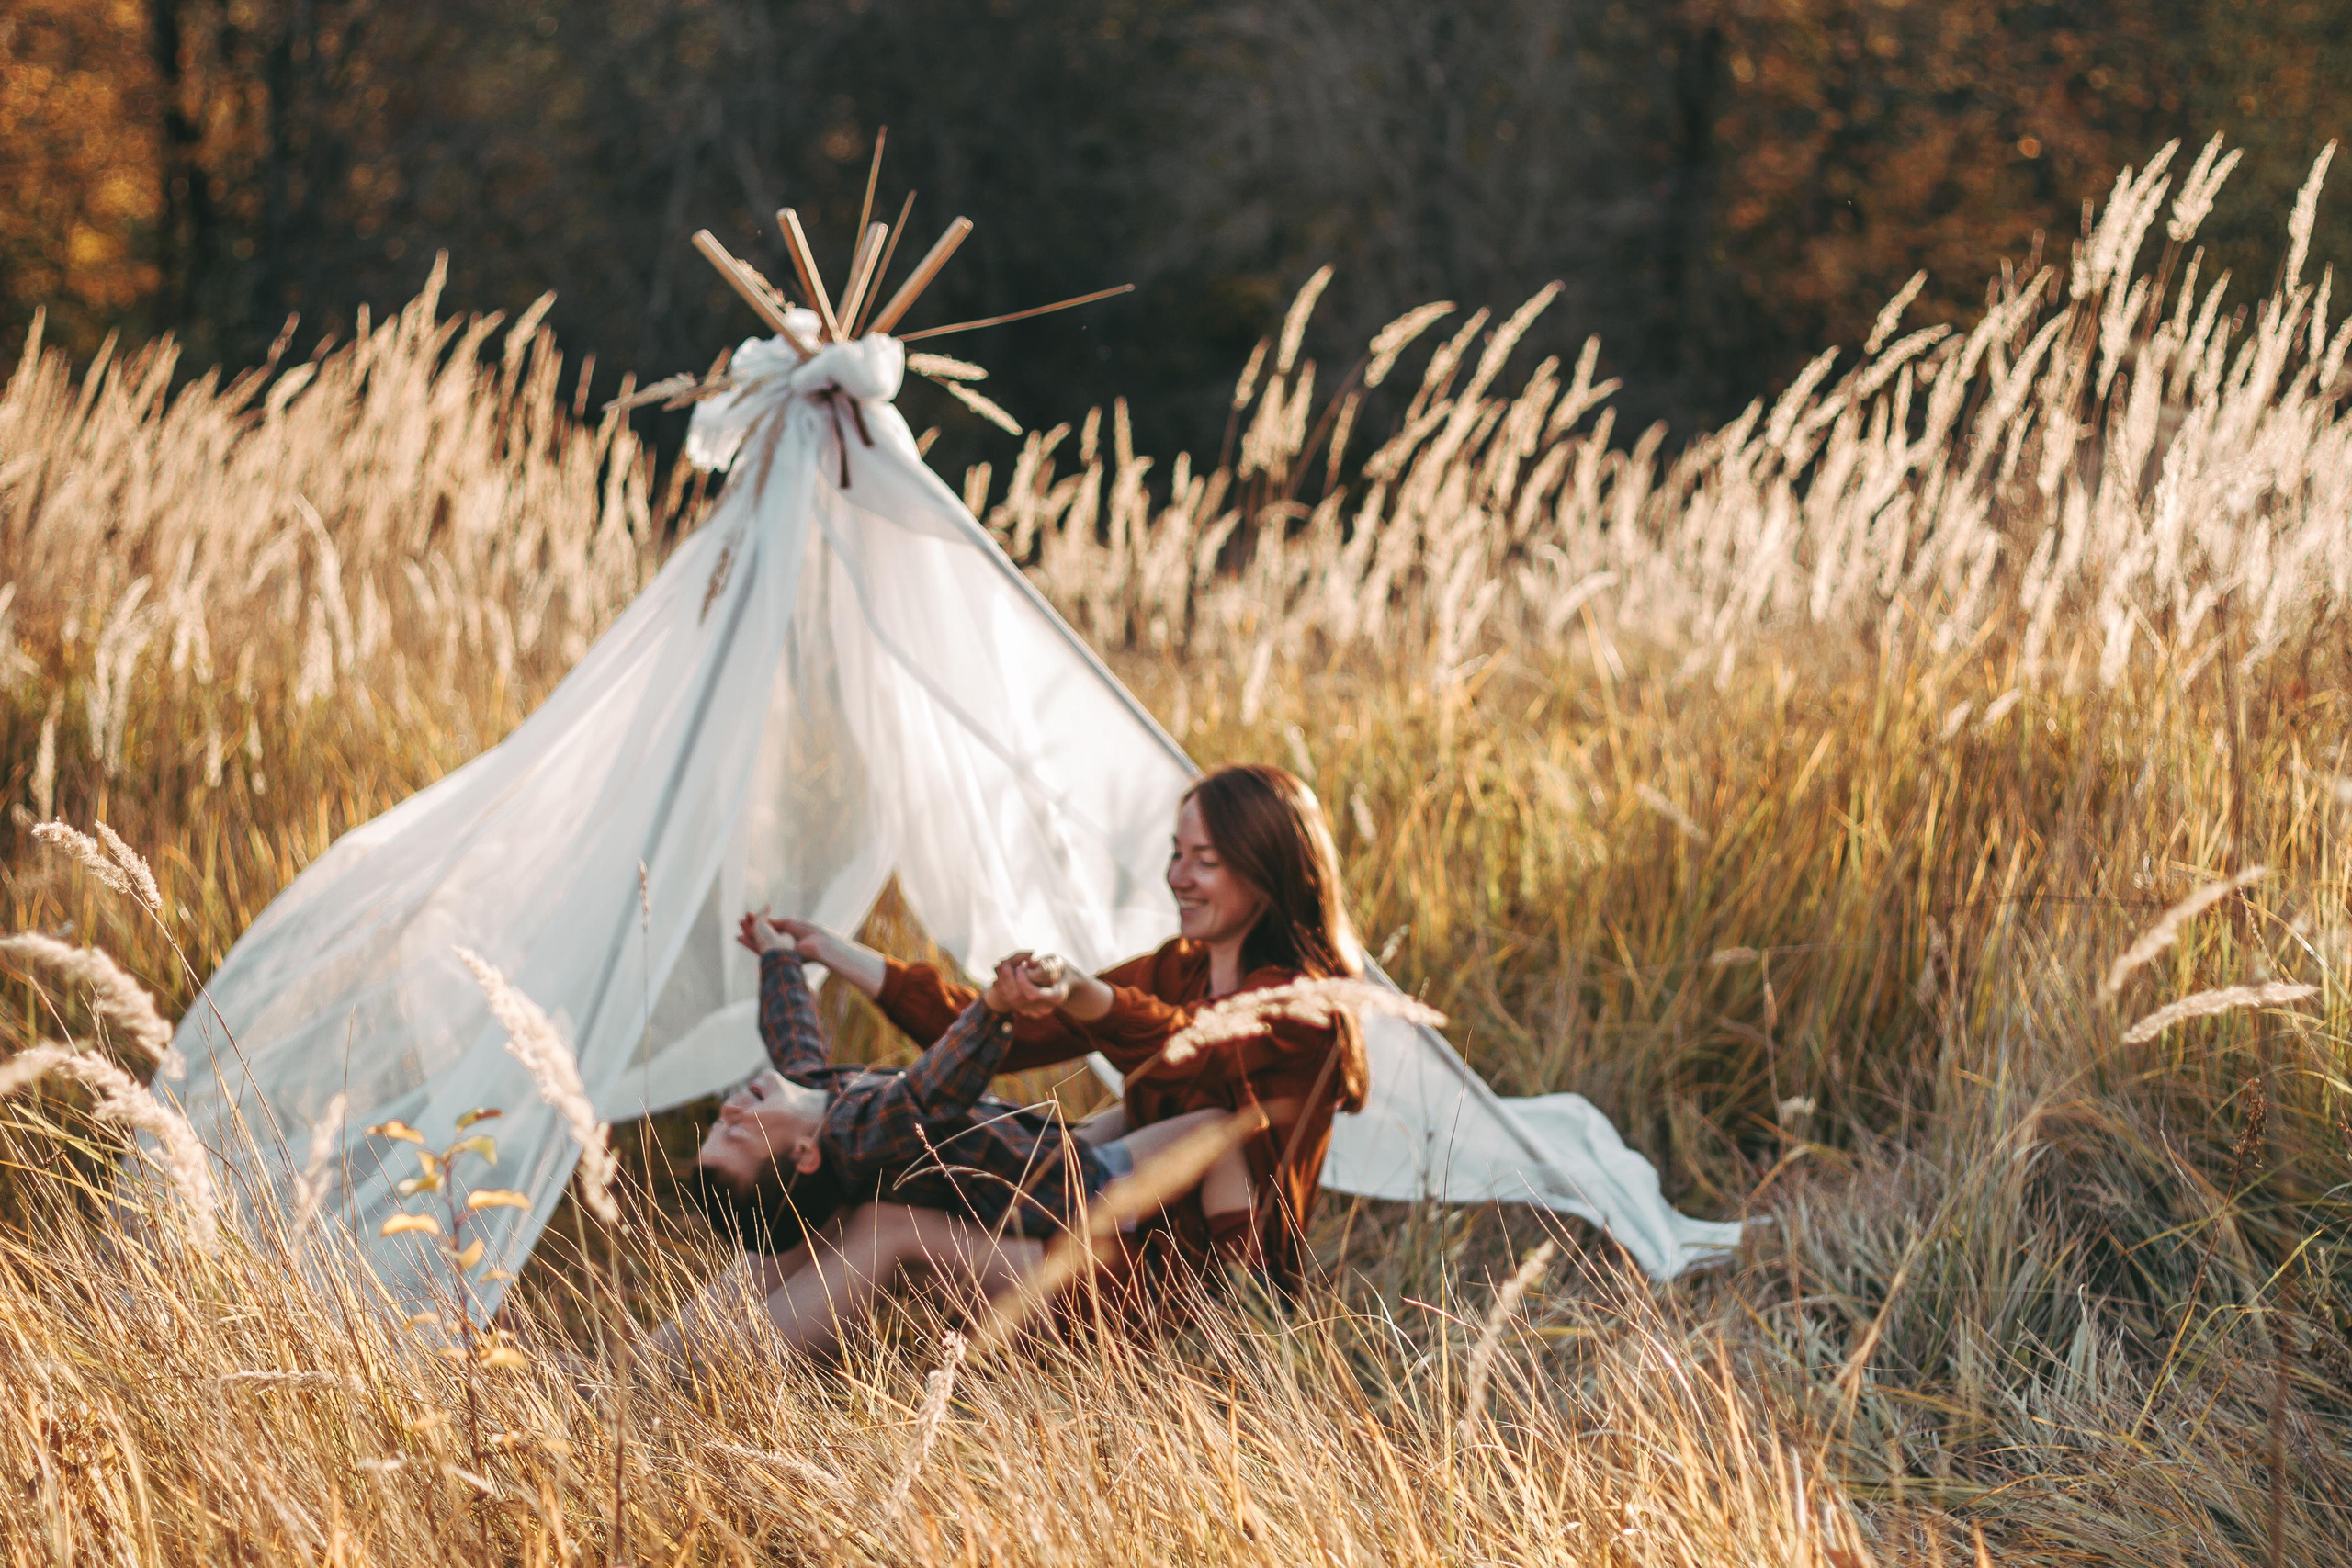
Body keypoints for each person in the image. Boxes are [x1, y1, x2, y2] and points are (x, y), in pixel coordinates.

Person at [779, 762, 1367, 1292]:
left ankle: (718, 1369)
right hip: (1099, 1237)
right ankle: (702, 1353)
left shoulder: (1305, 1006)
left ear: (1265, 871)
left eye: (1205, 861)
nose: (1177, 877)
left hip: (1185, 1294)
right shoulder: (1174, 968)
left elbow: (1191, 1041)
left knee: (888, 1231)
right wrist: (836, 953)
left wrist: (1087, 994)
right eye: (1176, 853)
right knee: (861, 1186)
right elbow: (989, 1036)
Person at [651, 916, 1250, 1362]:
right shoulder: (854, 1128)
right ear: (804, 1151)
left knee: (796, 1225)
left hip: (1036, 1171)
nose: (729, 1105)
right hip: (1078, 1196)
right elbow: (931, 1088)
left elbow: (791, 1035)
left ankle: (656, 1364)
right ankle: (1246, 1293)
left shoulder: (815, 1097)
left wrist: (781, 958)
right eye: (737, 1128)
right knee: (1217, 1124)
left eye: (721, 1121)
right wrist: (992, 1008)